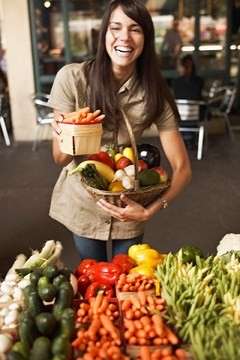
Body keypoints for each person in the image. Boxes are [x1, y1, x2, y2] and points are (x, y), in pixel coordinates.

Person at [48, 0, 191, 261]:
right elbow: (59, 158)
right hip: (84, 205)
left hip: (130, 206)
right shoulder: (72, 79)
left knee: (128, 276)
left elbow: (182, 168)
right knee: (93, 276)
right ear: (104, 34)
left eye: (135, 29)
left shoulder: (155, 93)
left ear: (146, 38)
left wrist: (152, 209)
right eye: (115, 28)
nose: (124, 37)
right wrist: (70, 130)